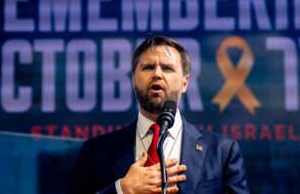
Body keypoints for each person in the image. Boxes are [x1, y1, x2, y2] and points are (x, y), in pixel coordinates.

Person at [67, 35, 249, 194]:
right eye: (147, 67)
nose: (157, 74)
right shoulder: (96, 152)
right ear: (133, 80)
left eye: (168, 68)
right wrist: (121, 190)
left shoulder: (222, 152)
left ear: (185, 83)